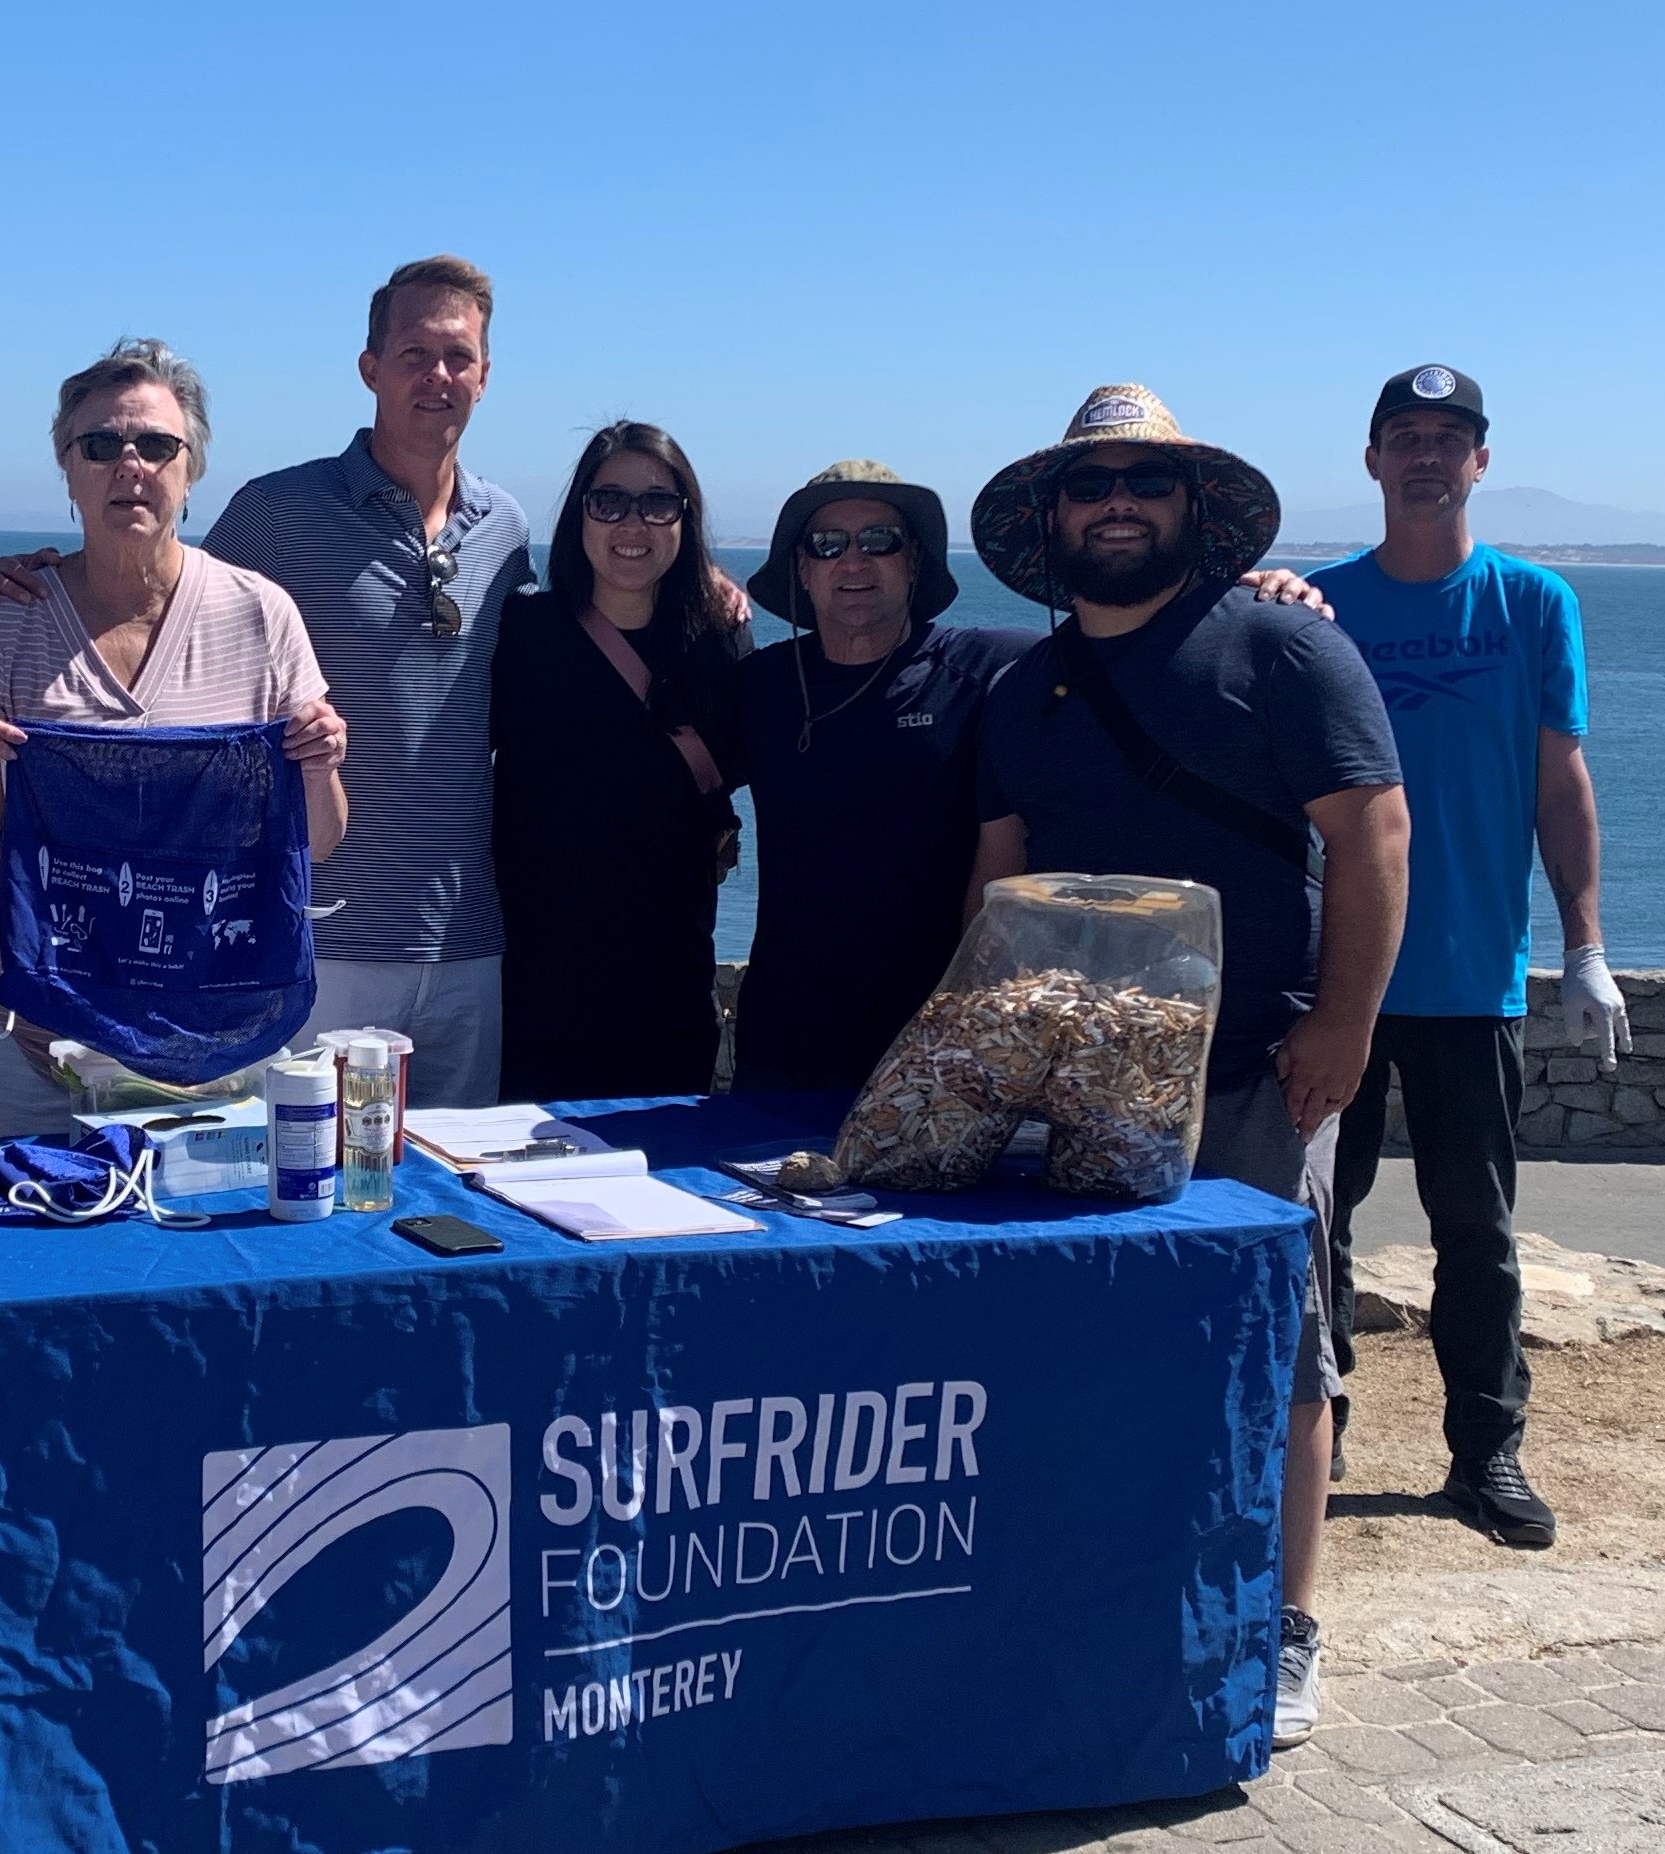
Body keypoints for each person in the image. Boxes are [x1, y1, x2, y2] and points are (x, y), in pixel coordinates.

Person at [964, 386, 1407, 1754]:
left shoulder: (1283, 647)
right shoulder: (1020, 686)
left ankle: (1284, 1625)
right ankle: (1126, 1594)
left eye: (1145, 483)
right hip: (1073, 1083)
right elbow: (1001, 880)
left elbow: (1377, 836)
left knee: (1281, 1353)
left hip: (1256, 1071)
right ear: (1053, 517)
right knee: (1107, 1343)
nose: (1117, 502)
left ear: (1190, 508)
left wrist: (1345, 1023)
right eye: (1091, 483)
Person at [1308, 366, 1620, 1555]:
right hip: (1339, 980)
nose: (1429, 455)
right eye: (1406, 437)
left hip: (1469, 978)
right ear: (1374, 460)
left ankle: (1487, 1453)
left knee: (1476, 1231)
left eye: (1452, 437)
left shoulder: (1534, 606)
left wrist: (1585, 943)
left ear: (1481, 461)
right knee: (1317, 1224)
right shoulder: (1317, 606)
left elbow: (1560, 782)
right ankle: (1309, 1439)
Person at [0, 341, 349, 1137]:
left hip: (204, 1029)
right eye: (101, 445)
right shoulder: (8, 618)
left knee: (187, 1251)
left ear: (191, 469)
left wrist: (321, 767)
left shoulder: (262, 616)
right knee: (31, 1243)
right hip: (18, 1023)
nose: (131, 465)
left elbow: (316, 843)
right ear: (68, 467)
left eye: (157, 445)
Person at [202, 256, 532, 1101]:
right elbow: (169, 625)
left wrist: (703, 587)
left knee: (455, 1200)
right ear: (370, 369)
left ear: (486, 376)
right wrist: (49, 573)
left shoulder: (506, 527)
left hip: (467, 940)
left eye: (459, 357)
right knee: (304, 1197)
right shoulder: (275, 513)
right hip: (318, 937)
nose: (439, 375)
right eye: (415, 353)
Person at [719, 464, 1036, 1092]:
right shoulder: (759, 687)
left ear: (914, 561)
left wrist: (1251, 589)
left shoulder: (989, 666)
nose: (854, 560)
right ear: (803, 571)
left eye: (880, 540)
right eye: (828, 544)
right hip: (779, 1043)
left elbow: (1123, 638)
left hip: (937, 1052)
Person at [489, 422, 747, 1100]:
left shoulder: (719, 646)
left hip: (669, 995)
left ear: (685, 520)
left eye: (658, 504)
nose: (633, 523)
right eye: (609, 502)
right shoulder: (522, 635)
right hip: (535, 996)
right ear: (580, 513)